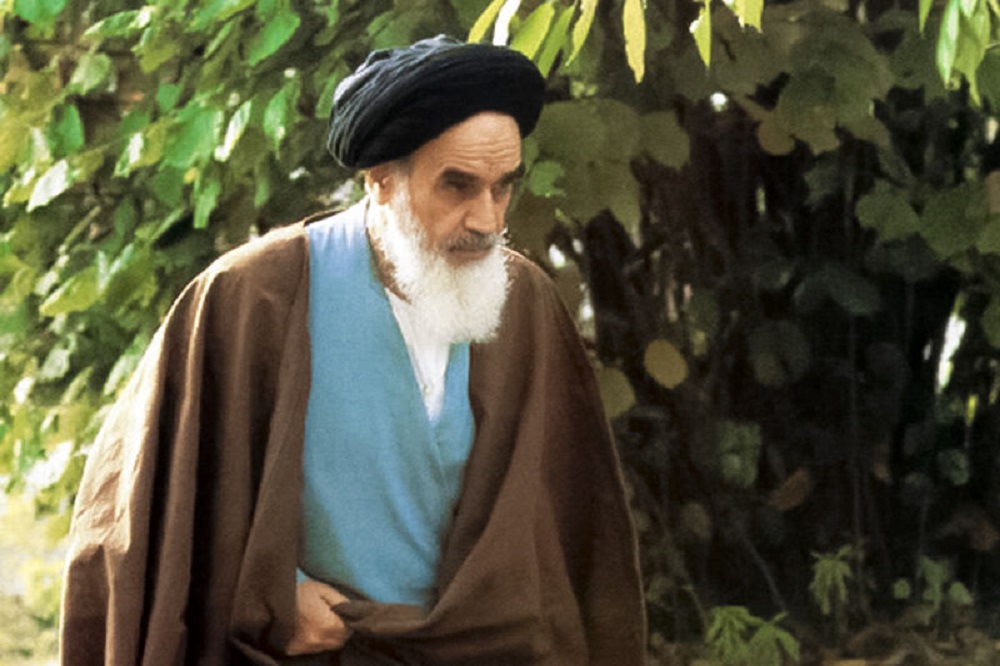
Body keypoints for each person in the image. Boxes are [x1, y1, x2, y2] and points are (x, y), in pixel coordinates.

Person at [60, 36, 645, 664]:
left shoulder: (524, 301)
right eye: (457, 187)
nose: (488, 220)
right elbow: (145, 509)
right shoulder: (254, 295)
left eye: (501, 189)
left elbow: (574, 523)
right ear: (381, 181)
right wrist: (271, 594)